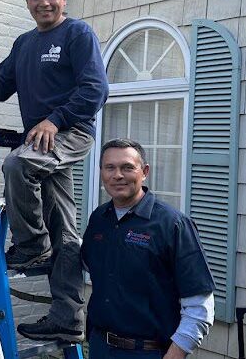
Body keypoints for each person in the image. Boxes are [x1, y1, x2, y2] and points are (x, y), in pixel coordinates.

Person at [0, 0, 109, 342]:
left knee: (18, 163)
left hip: (70, 131)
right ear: (28, 2)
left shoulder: (77, 33)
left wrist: (56, 119)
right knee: (65, 231)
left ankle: (32, 246)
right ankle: (68, 318)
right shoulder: (24, 43)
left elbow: (96, 89)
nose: (45, 2)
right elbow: (0, 87)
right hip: (43, 139)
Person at [81, 139, 215, 358]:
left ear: (144, 172)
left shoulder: (172, 224)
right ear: (102, 172)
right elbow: (88, 263)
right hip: (100, 347)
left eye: (127, 167)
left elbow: (200, 305)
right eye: (110, 168)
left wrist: (175, 354)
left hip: (148, 352)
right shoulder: (99, 219)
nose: (118, 175)